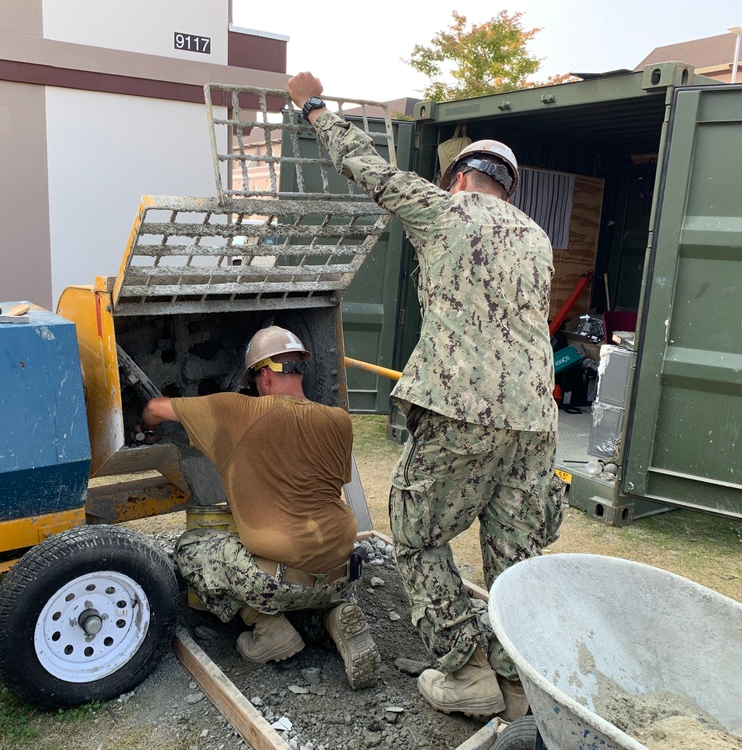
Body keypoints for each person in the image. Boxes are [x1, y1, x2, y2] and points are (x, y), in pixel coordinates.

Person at [286, 72, 561, 720]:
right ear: (507, 185)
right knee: (515, 558)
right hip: (535, 421)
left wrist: (313, 106)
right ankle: (520, 686)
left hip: (465, 412)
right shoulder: (538, 239)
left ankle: (466, 670)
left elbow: (364, 167)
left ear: (460, 176)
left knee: (415, 531)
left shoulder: (442, 209)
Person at [140, 325, 380, 689]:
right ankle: (334, 618)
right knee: (308, 587)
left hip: (276, 581)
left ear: (264, 376)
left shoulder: (234, 409)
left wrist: (146, 430)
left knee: (190, 548)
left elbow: (155, 408)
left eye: (254, 380)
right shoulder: (340, 422)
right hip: (341, 567)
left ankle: (267, 627)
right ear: (302, 370)